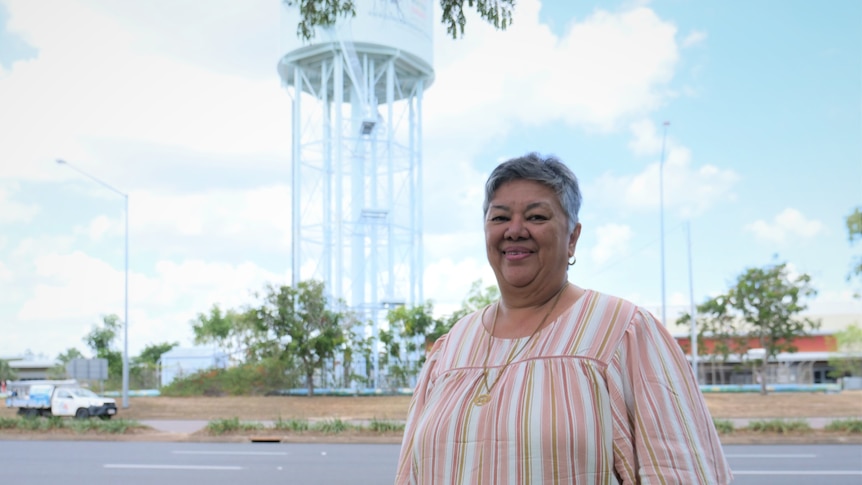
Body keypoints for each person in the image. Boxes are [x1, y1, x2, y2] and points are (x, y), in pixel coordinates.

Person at [395, 153, 732, 484]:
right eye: (499, 218)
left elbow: (680, 473)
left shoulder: (623, 331)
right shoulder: (452, 346)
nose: (514, 230)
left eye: (536, 217)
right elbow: (411, 473)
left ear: (572, 237)